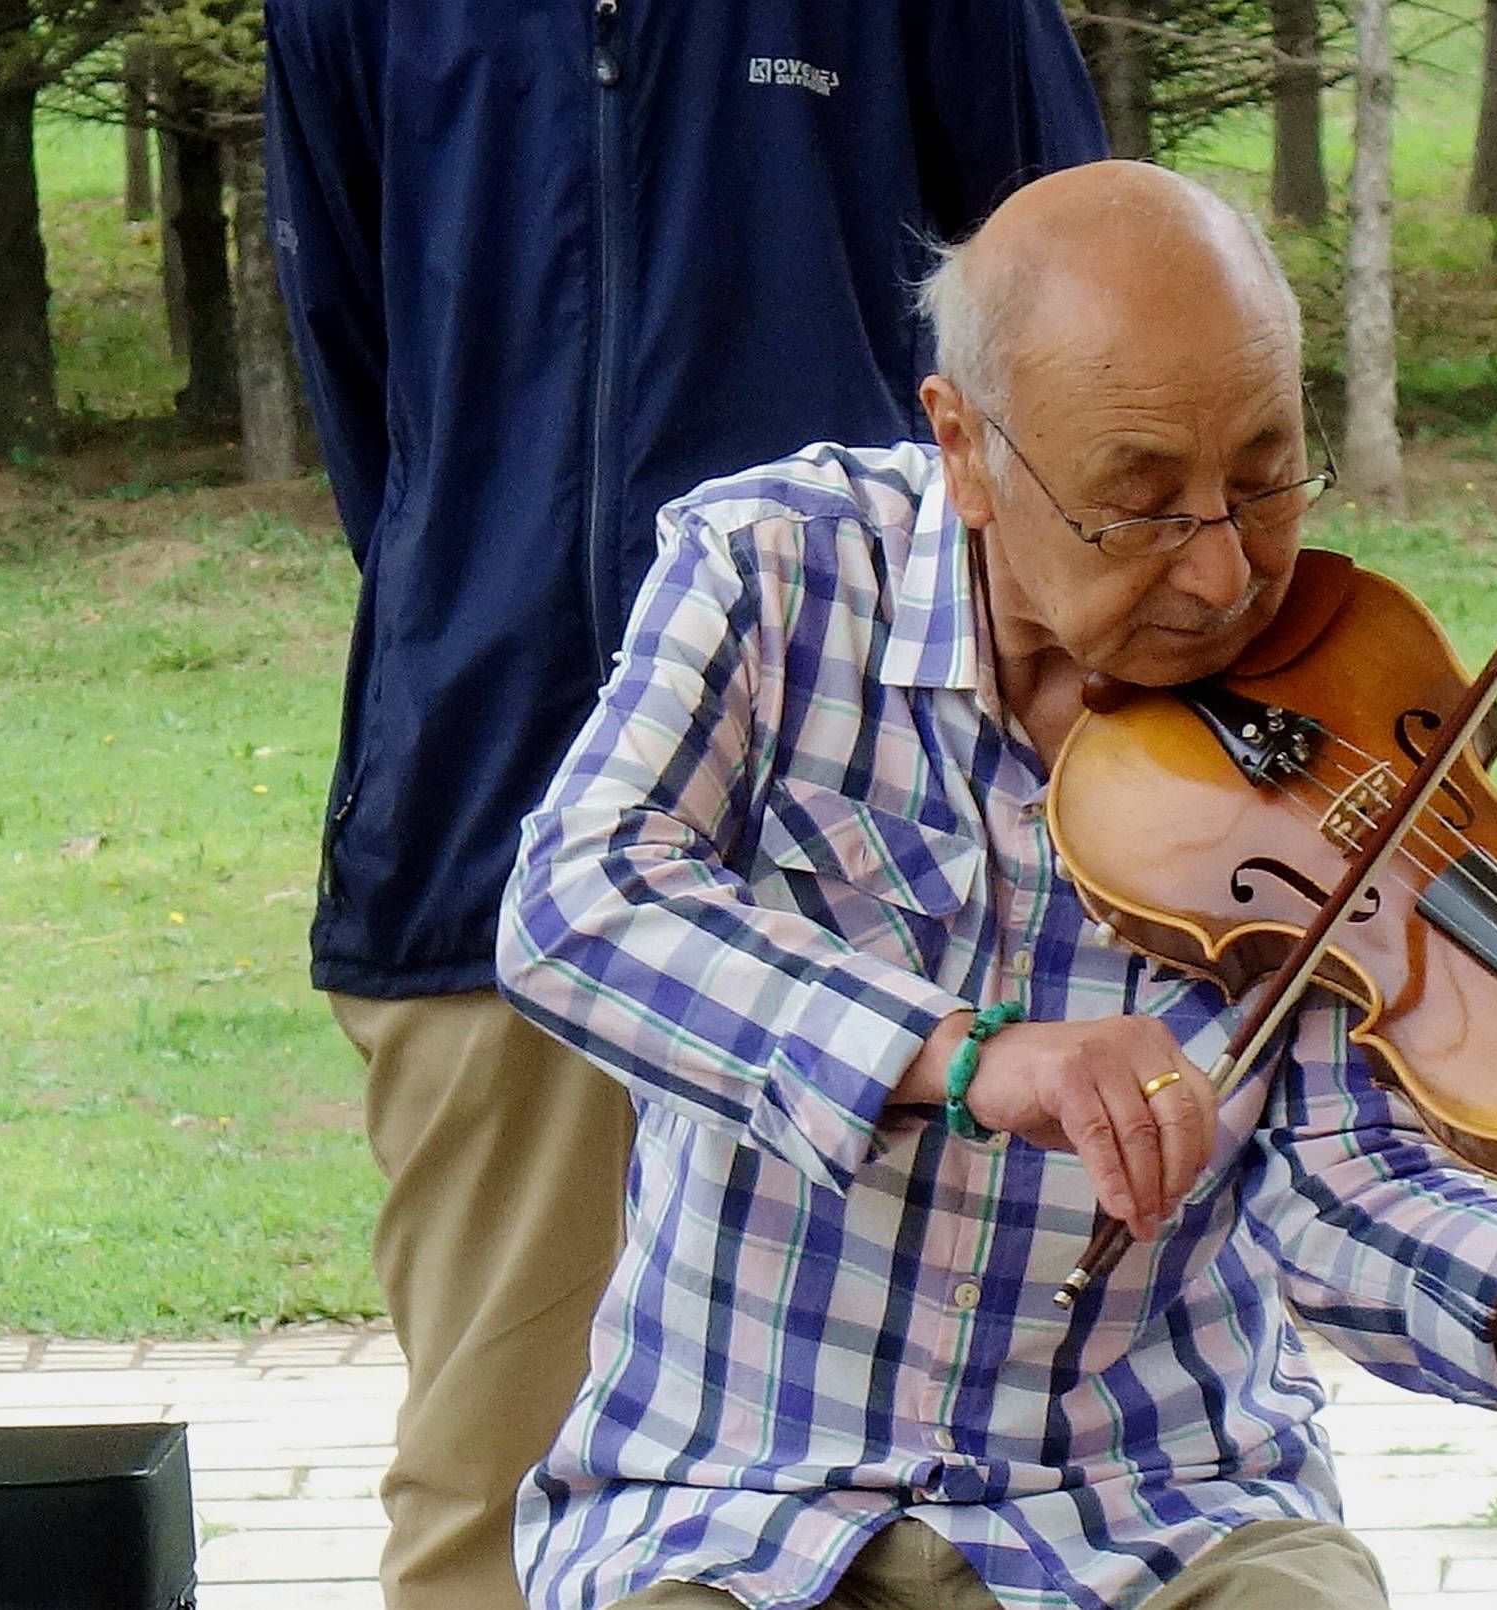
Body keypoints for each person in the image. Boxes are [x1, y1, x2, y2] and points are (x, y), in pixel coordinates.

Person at [496, 161, 1497, 1610]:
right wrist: (968, 1055)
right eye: (1138, 509)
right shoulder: (779, 569)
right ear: (964, 447)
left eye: (1263, 480)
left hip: (1163, 1501)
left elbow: (1341, 1182)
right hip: (745, 1494)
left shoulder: (1339, 701)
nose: (1223, 578)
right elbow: (576, 901)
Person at [260, 7, 1105, 1605]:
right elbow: (365, 384)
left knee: (908, 1512)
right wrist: (475, 598)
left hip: (878, 829)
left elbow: (1078, 316)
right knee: (490, 1497)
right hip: (487, 804)